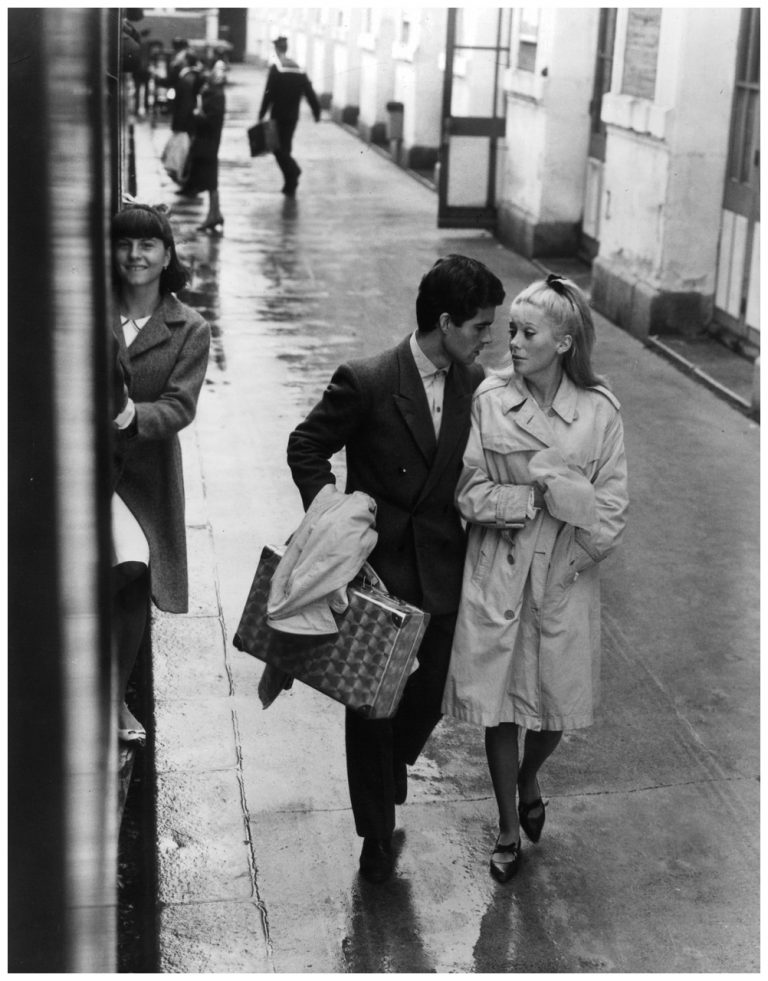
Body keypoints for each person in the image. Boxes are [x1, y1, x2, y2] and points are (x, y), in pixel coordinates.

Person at [287, 255, 506, 883]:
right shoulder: (369, 379)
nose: (487, 338)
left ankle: (392, 768)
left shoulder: (475, 383)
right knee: (369, 705)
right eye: (480, 327)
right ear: (445, 322)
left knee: (437, 687)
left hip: (442, 566)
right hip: (376, 572)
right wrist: (334, 515)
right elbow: (306, 446)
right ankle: (376, 834)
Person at [441, 274, 629, 882]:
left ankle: (529, 775)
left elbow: (613, 506)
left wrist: (577, 551)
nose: (512, 343)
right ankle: (504, 825)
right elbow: (468, 491)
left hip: (564, 574)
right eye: (511, 331)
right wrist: (528, 499)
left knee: (554, 709)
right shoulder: (490, 399)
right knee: (499, 706)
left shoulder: (599, 413)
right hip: (500, 567)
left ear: (566, 342)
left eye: (527, 332)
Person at [111, 203, 211, 742]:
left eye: (148, 245)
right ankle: (107, 702)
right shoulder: (91, 309)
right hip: (91, 471)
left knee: (133, 572)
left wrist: (132, 416)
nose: (135, 255)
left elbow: (181, 405)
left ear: (167, 255)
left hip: (145, 475)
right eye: (125, 244)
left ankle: (111, 701)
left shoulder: (188, 327)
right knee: (124, 566)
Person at [258, 35, 321, 197]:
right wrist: (316, 111)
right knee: (285, 148)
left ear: (276, 49)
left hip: (277, 116)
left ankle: (294, 171)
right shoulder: (298, 68)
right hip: (292, 117)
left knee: (277, 149)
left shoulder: (276, 68)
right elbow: (309, 91)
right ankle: (290, 184)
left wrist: (262, 113)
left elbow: (268, 94)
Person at [180, 60, 227, 232]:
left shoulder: (216, 96)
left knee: (210, 181)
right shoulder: (212, 93)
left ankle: (214, 216)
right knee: (210, 181)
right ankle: (215, 215)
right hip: (206, 143)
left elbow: (212, 121)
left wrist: (198, 115)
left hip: (208, 144)